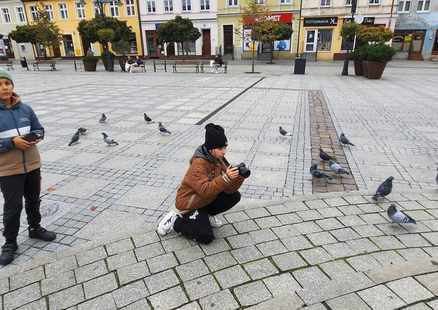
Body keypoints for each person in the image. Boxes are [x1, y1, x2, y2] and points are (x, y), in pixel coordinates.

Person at [0, 69, 56, 265]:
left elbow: (39, 128)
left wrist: (36, 136)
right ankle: (10, 243)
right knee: (13, 207)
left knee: (33, 200)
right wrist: (11, 143)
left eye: (7, 83)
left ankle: (35, 228)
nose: (4, 88)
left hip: (32, 164)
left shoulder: (25, 109)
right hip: (8, 170)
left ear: (12, 86)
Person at [157, 123, 245, 244]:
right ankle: (175, 222)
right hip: (190, 203)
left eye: (225, 147)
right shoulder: (199, 164)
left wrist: (239, 177)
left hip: (204, 200)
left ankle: (206, 215)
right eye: (221, 148)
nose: (224, 151)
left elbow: (229, 189)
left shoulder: (218, 158)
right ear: (211, 148)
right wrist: (225, 178)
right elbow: (205, 190)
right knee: (206, 237)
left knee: (234, 196)